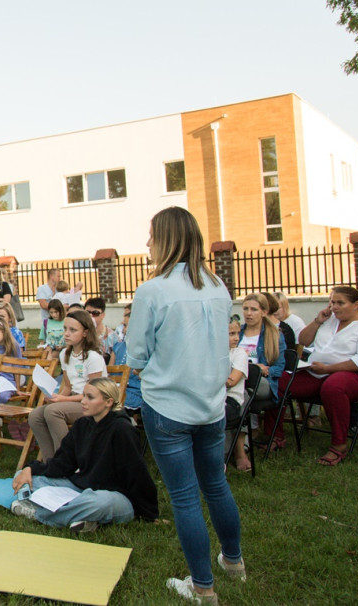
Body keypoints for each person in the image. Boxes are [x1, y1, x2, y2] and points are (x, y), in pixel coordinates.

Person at [126, 207, 244, 604]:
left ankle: (202, 586)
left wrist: (149, 371)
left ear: (167, 238)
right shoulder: (217, 285)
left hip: (169, 406)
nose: (147, 243)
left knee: (185, 497)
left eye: (151, 235)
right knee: (215, 484)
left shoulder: (153, 289)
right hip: (211, 404)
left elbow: (136, 355)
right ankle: (233, 561)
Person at [11, 378, 159, 532]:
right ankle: (84, 519)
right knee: (24, 476)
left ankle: (39, 513)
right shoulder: (82, 425)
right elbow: (63, 463)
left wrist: (149, 514)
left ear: (108, 402)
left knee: (100, 503)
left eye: (90, 397)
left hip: (114, 497)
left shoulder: (123, 429)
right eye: (83, 396)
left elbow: (136, 473)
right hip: (80, 489)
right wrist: (30, 469)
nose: (83, 401)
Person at [271, 286, 358, 466]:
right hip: (317, 372)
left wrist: (329, 369)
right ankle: (275, 435)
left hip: (356, 376)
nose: (334, 307)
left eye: (340, 303)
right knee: (279, 382)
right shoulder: (329, 321)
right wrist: (318, 321)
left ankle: (339, 445)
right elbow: (303, 341)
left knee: (334, 386)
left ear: (356, 305)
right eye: (332, 302)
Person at [28, 310, 105, 461]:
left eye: (72, 330)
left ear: (85, 333)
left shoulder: (93, 357)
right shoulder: (65, 354)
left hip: (93, 403)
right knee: (35, 415)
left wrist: (62, 400)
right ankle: (50, 461)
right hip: (75, 400)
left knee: (53, 412)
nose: (66, 334)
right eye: (65, 329)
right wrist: (57, 396)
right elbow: (68, 387)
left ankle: (66, 460)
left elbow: (93, 394)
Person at [238, 294, 286, 435]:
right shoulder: (237, 332)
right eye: (245, 309)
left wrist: (261, 370)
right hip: (238, 378)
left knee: (241, 388)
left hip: (262, 382)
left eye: (254, 309)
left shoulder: (274, 335)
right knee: (238, 389)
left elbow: (279, 368)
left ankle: (244, 437)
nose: (248, 313)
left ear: (264, 312)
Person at [224, 321, 251, 472]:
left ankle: (216, 459)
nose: (236, 338)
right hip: (212, 398)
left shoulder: (239, 354)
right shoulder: (209, 352)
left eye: (238, 333)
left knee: (209, 416)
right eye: (231, 334)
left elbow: (231, 381)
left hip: (231, 402)